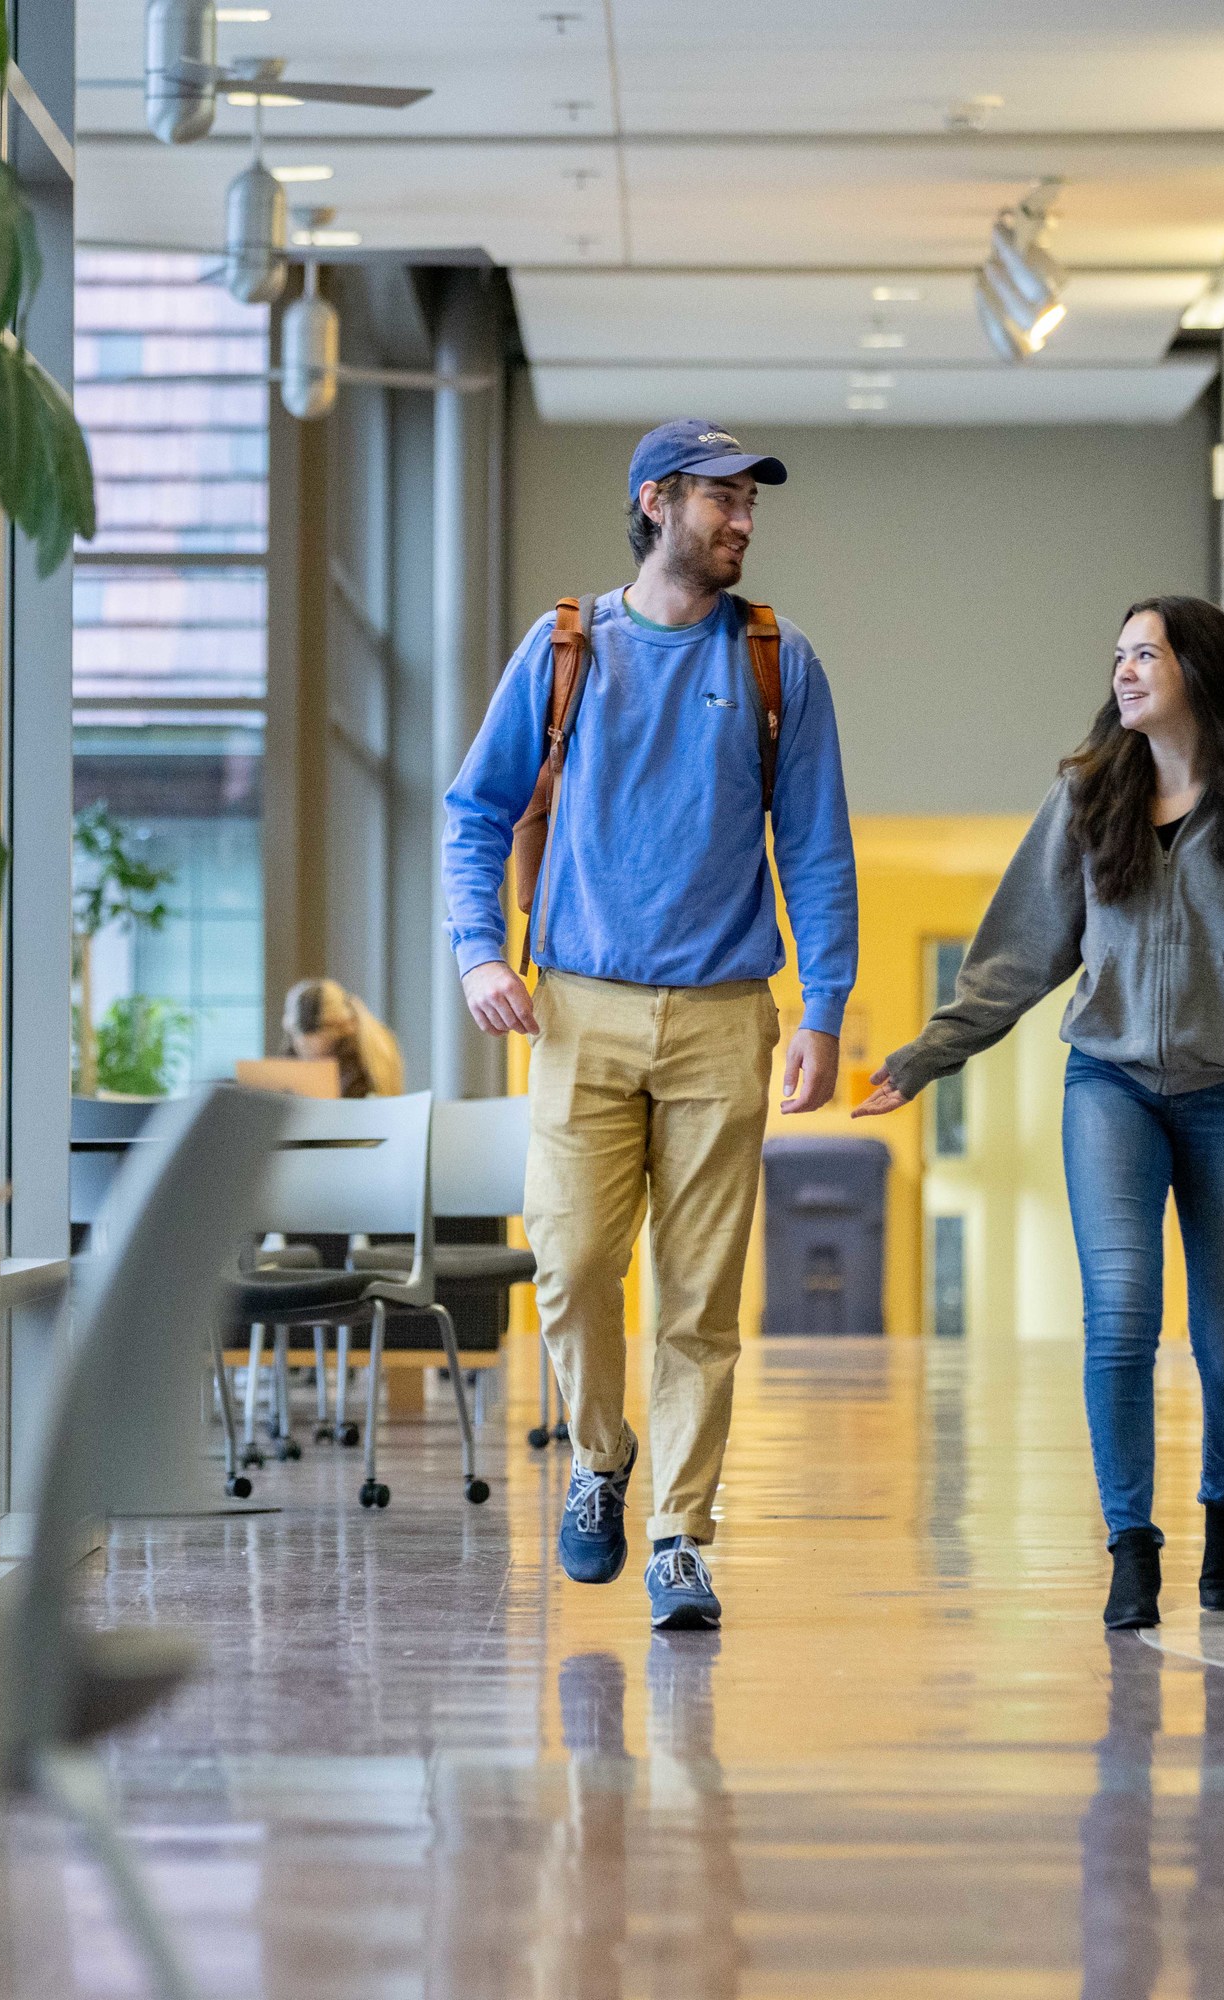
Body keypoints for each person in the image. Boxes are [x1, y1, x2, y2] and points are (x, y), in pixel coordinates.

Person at [854, 595, 1224, 1630]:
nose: (1123, 671)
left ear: (1198, 670)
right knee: (1121, 1315)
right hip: (1112, 1086)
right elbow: (1019, 951)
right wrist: (926, 1054)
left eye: (1146, 654)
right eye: (1118, 656)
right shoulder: (1089, 797)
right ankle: (1130, 1542)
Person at [442, 419, 857, 1632]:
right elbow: (476, 812)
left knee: (698, 1294)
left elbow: (817, 847)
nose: (741, 521)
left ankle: (680, 1532)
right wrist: (478, 951)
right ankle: (600, 1454)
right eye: (722, 499)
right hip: (578, 1005)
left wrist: (821, 1009)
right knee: (569, 1268)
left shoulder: (781, 659)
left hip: (726, 1015)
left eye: (750, 504)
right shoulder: (569, 645)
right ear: (655, 501)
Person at [280, 978, 404, 1097]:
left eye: (304, 1036)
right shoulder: (294, 1053)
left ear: (334, 1027)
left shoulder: (361, 1065)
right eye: (295, 1034)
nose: (301, 1043)